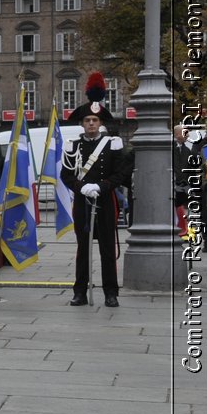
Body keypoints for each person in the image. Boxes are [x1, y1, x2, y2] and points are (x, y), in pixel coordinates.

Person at [61, 78, 128, 307]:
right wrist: (82, 188)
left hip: (106, 201)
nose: (91, 124)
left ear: (100, 123)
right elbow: (66, 175)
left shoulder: (113, 144)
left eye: (95, 120)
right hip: (82, 201)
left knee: (108, 249)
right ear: (82, 123)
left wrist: (101, 186)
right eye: (88, 120)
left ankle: (111, 292)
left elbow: (120, 175)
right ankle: (80, 290)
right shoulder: (73, 146)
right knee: (83, 248)